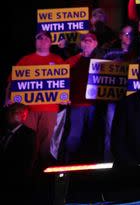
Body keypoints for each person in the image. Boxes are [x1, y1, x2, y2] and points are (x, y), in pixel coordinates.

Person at [8, 31, 65, 170]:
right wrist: (8, 98)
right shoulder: (26, 60)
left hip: (50, 109)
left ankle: (43, 178)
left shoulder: (58, 60)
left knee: (45, 146)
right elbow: (12, 81)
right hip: (29, 110)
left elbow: (64, 83)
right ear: (35, 41)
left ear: (51, 42)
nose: (43, 40)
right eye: (39, 38)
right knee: (30, 144)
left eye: (46, 38)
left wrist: (65, 97)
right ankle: (27, 175)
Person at [62, 32, 105, 162]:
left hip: (95, 105)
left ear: (96, 44)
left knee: (93, 136)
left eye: (90, 40)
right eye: (84, 40)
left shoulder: (102, 61)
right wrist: (64, 95)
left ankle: (92, 162)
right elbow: (62, 79)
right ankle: (68, 163)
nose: (87, 42)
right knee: (74, 136)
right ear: (80, 44)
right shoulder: (72, 61)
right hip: (77, 104)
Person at [1, 104, 36, 198]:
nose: (9, 115)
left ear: (23, 116)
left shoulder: (28, 134)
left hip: (15, 183)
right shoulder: (4, 131)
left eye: (13, 112)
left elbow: (26, 161)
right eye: (9, 111)